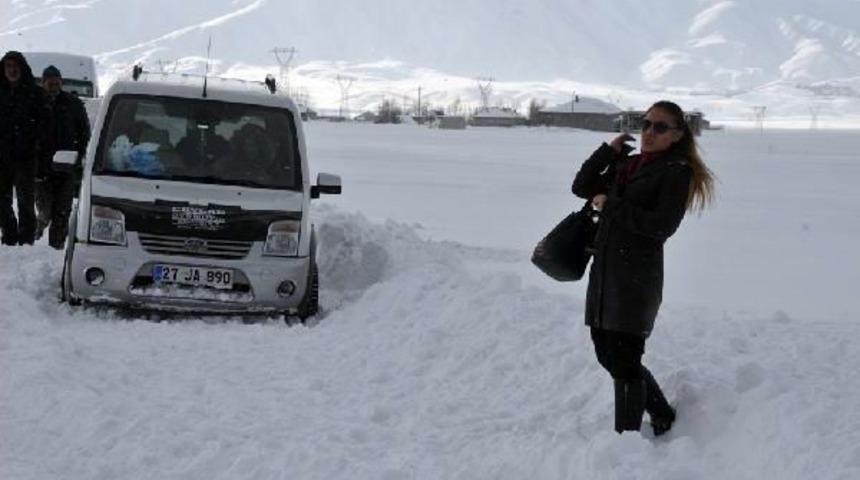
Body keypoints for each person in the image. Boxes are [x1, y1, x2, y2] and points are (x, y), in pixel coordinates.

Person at [571, 100, 715, 436]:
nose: (649, 132)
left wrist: (611, 205)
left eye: (660, 127)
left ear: (677, 135)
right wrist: (608, 152)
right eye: (646, 123)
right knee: (608, 356)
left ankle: (627, 441)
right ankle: (662, 411)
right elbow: (581, 187)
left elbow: (660, 226)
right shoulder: (629, 164)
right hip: (605, 274)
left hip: (636, 280)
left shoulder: (676, 172)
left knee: (624, 362)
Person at [35, 65, 91, 249]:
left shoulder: (73, 104)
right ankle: (34, 231)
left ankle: (56, 246)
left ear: (61, 82)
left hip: (66, 168)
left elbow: (84, 133)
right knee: (45, 210)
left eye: (56, 82)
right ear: (43, 83)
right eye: (50, 82)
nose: (53, 85)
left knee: (62, 211)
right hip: (40, 169)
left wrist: (80, 155)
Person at [0, 51, 46, 246]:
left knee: (26, 202)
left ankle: (27, 239)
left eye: (15, 67)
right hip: (1, 156)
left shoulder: (34, 93)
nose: (12, 70)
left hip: (26, 157)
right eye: (8, 67)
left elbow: (45, 123)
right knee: (2, 202)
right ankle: (9, 235)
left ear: (22, 68)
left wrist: (33, 141)